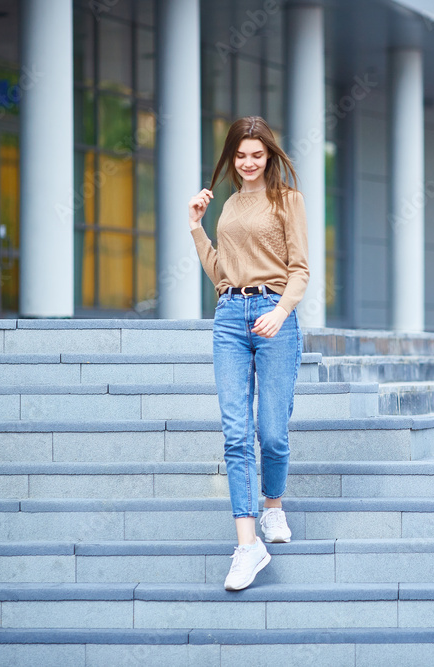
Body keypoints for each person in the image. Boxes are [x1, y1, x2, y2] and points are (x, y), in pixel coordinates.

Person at [187, 116, 309, 591]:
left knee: (271, 431)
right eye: (240, 155)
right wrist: (197, 227)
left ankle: (272, 503)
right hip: (229, 317)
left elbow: (299, 268)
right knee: (237, 434)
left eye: (257, 154)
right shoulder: (231, 206)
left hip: (274, 314)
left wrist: (280, 311)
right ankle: (247, 545)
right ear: (231, 158)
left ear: (270, 156)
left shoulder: (287, 201)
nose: (248, 162)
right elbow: (221, 271)